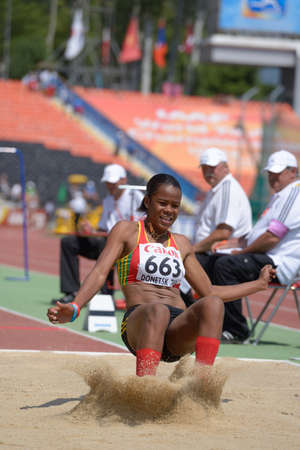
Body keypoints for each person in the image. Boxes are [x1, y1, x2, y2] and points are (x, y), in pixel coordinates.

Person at [48, 173, 275, 377]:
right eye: (163, 203)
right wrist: (76, 307)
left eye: (175, 206)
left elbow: (210, 291)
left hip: (177, 329)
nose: (169, 210)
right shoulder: (127, 231)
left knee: (213, 303)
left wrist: (258, 284)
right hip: (141, 321)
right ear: (148, 202)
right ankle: (145, 389)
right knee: (157, 310)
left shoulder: (182, 243)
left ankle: (203, 383)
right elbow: (99, 272)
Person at [197, 149, 300, 343]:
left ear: (292, 171)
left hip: (281, 263)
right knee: (211, 260)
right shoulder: (280, 195)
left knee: (226, 265)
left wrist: (240, 251)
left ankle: (236, 329)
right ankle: (210, 321)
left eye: (277, 172)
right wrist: (227, 246)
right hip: (268, 256)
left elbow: (272, 238)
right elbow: (254, 237)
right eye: (270, 172)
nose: (272, 177)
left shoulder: (294, 193)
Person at [51, 163, 144, 305]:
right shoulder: (108, 200)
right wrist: (90, 231)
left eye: (113, 183)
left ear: (123, 180)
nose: (110, 186)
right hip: (108, 241)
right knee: (69, 242)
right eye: (108, 183)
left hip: (131, 245)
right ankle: (72, 292)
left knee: (107, 247)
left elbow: (145, 223)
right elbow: (103, 229)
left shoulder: (135, 196)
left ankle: (106, 295)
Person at [185, 147, 253, 338]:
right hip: (212, 252)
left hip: (223, 253)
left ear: (225, 167)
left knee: (183, 267)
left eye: (212, 168)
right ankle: (190, 321)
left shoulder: (227, 189)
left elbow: (223, 232)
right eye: (204, 167)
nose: (207, 172)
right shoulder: (218, 190)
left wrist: (190, 250)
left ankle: (233, 329)